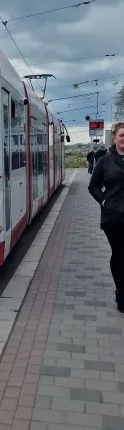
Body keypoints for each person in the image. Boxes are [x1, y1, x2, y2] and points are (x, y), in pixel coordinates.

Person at [89, 122, 124, 312]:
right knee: (120, 254)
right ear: (115, 138)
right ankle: (121, 292)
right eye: (122, 135)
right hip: (113, 217)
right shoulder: (105, 161)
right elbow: (92, 186)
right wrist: (104, 201)